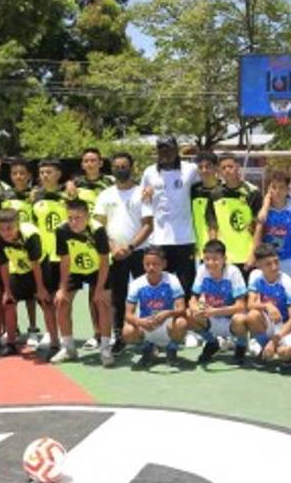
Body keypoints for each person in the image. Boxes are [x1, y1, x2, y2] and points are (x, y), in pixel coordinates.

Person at [92, 151, 153, 351]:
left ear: (132, 167)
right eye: (117, 167)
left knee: (146, 294)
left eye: (124, 166)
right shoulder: (105, 194)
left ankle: (150, 337)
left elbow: (148, 225)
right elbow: (99, 227)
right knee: (118, 297)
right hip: (114, 254)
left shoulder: (142, 192)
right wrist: (113, 248)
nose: (121, 170)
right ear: (112, 169)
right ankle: (120, 335)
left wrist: (130, 247)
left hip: (139, 252)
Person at [51, 198, 113, 365]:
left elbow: (104, 261)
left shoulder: (98, 230)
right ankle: (68, 348)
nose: (73, 222)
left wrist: (99, 289)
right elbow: (64, 260)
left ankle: (106, 348)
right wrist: (62, 288)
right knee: (62, 302)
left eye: (78, 218)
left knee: (103, 302)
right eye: (70, 217)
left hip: (98, 268)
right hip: (75, 269)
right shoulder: (62, 230)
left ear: (87, 216)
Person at [0, 158, 39, 339]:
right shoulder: (2, 196)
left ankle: (33, 329)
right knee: (10, 292)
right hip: (9, 250)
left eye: (22, 173)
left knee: (32, 294)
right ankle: (12, 329)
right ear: (10, 176)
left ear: (29, 176)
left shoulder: (35, 195)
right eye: (15, 173)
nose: (18, 176)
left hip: (29, 247)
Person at [141, 135, 200, 296]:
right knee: (159, 287)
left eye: (169, 148)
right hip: (159, 240)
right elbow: (144, 202)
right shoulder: (149, 172)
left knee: (186, 287)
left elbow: (205, 188)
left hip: (185, 239)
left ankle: (184, 321)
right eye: (161, 149)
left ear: (176, 150)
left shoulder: (191, 169)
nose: (165, 152)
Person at [0, 209, 55, 357]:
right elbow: (3, 265)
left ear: (18, 225)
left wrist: (40, 288)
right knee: (8, 302)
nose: (6, 233)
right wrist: (7, 290)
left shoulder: (30, 236)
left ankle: (54, 343)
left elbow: (35, 264)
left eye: (9, 228)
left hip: (40, 267)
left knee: (45, 301)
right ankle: (11, 343)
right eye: (2, 229)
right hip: (20, 270)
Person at [187, 239, 250, 364]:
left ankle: (241, 346)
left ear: (224, 259)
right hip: (211, 318)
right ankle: (211, 343)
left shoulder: (233, 272)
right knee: (189, 313)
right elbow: (192, 299)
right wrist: (196, 308)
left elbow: (242, 305)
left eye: (215, 259)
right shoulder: (201, 270)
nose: (210, 263)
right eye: (207, 259)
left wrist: (215, 311)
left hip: (231, 320)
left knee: (240, 319)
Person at [124, 247, 188, 368]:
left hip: (167, 326)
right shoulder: (136, 284)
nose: (151, 268)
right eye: (147, 264)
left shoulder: (172, 280)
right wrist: (140, 321)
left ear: (164, 264)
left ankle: (171, 349)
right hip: (146, 326)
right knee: (127, 331)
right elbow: (128, 314)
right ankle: (147, 348)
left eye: (155, 264)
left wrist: (167, 314)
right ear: (143, 264)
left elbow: (182, 309)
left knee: (182, 323)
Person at [31, 159, 69, 354]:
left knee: (61, 301)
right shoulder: (35, 198)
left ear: (58, 174)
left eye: (49, 172)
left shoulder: (67, 197)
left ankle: (65, 340)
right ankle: (53, 339)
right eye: (42, 172)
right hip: (43, 256)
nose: (45, 175)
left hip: (63, 256)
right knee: (45, 300)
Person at [245, 243, 291, 367]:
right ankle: (265, 348)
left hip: (285, 327)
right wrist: (267, 305)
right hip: (268, 324)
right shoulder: (255, 276)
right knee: (252, 315)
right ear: (258, 265)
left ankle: (288, 352)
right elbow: (250, 304)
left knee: (284, 353)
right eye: (268, 264)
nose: (274, 267)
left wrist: (275, 341)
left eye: (276, 261)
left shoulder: (288, 283)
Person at [208, 154, 262, 275]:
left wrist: (253, 254)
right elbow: (212, 227)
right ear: (219, 171)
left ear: (238, 167)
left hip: (247, 258)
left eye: (230, 166)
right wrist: (215, 255)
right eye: (223, 168)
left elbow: (259, 227)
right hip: (225, 259)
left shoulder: (252, 192)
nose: (227, 170)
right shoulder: (215, 194)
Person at [252, 167, 291, 286]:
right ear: (268, 189)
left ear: (288, 189)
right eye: (274, 187)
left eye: (281, 187)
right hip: (268, 260)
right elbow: (260, 221)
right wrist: (266, 205)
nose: (277, 191)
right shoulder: (263, 209)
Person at [189, 151, 221, 259]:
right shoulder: (193, 191)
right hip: (198, 250)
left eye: (208, 167)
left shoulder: (224, 190)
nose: (204, 170)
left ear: (216, 168)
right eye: (200, 167)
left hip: (221, 249)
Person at [72, 147, 113, 214]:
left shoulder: (110, 182)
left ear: (100, 163)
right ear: (82, 165)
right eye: (86, 161)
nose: (89, 164)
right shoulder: (75, 183)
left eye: (93, 160)